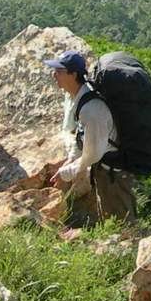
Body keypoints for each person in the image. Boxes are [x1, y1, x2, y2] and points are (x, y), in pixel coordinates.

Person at [44, 50, 137, 224]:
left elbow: (93, 154)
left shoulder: (92, 109)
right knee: (112, 223)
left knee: (122, 226)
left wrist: (67, 172)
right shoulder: (81, 98)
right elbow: (82, 135)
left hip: (114, 175)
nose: (54, 75)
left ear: (73, 74)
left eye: (59, 71)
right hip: (106, 171)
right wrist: (71, 159)